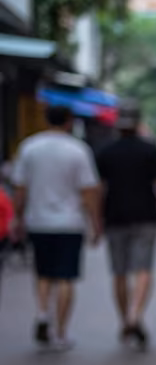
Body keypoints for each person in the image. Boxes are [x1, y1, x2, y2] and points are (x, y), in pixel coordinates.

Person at [10, 105, 102, 351]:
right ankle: (60, 332)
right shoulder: (78, 150)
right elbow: (89, 191)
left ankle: (42, 314)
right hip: (70, 223)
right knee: (66, 278)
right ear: (69, 121)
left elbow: (20, 189)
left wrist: (17, 219)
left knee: (43, 274)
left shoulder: (29, 147)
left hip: (38, 221)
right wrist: (95, 223)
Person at [95, 106, 156, 349]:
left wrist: (96, 221)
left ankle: (124, 319)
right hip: (146, 216)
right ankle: (135, 314)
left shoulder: (106, 151)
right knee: (144, 268)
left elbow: (99, 189)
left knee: (119, 272)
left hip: (114, 216)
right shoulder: (149, 150)